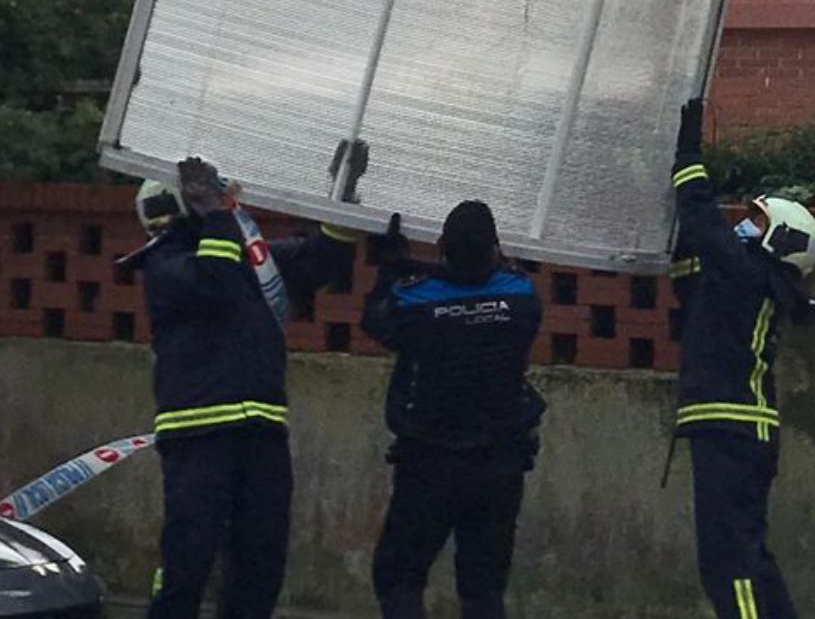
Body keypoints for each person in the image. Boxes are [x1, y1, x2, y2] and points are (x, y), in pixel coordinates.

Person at [125, 151, 363, 619]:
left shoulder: (251, 259)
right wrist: (217, 216)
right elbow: (214, 282)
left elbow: (325, 259)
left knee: (261, 563)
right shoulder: (164, 265)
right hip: (198, 434)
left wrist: (345, 195)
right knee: (187, 565)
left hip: (261, 431)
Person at [669, 99, 815, 619]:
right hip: (742, 431)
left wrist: (687, 151)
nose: (743, 226)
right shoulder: (749, 281)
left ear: (779, 239)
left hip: (730, 430)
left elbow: (698, 211)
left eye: (756, 222)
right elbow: (691, 274)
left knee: (728, 564)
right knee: (751, 557)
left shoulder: (746, 273)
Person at [360, 201, 545, 619]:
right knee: (483, 590)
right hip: (500, 464)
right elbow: (508, 278)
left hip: (429, 464)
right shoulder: (520, 300)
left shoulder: (413, 303)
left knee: (400, 579)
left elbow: (375, 321)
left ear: (442, 246)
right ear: (495, 248)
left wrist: (392, 266)